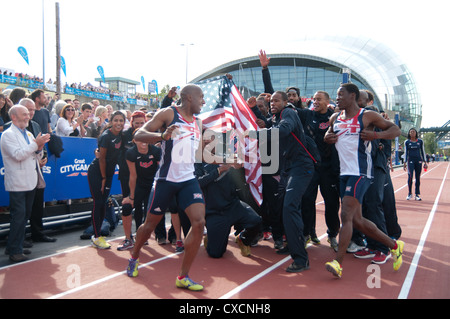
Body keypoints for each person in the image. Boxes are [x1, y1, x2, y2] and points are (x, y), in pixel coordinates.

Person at [127, 84, 206, 292]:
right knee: (149, 226)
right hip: (166, 180)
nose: (204, 101)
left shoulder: (198, 122)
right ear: (189, 98)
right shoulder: (168, 113)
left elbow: (203, 148)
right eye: (201, 97)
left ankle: (183, 276)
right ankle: (134, 256)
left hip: (188, 180)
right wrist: (161, 137)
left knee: (198, 222)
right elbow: (138, 134)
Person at [323, 83, 404, 278]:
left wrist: (376, 135)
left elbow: (395, 130)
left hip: (361, 172)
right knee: (357, 220)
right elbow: (328, 134)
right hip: (344, 173)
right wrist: (328, 137)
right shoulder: (335, 117)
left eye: (341, 95)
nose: (337, 98)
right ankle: (394, 245)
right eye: (336, 95)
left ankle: (338, 263)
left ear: (352, 96)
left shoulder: (366, 116)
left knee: (346, 215)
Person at [260, 91, 314, 272]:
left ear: (285, 102)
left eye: (277, 100)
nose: (272, 103)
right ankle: (293, 245)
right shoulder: (274, 117)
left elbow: (283, 129)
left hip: (301, 166)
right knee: (284, 207)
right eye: (271, 101)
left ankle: (301, 259)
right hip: (287, 169)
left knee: (290, 207)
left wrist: (258, 133)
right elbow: (266, 123)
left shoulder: (288, 112)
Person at [195, 133, 262, 258]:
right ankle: (211, 237)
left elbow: (241, 173)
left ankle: (243, 239)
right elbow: (197, 182)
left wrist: (239, 166)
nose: (210, 141)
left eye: (213, 137)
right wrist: (217, 171)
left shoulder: (228, 154)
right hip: (214, 211)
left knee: (256, 221)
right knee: (216, 254)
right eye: (206, 138)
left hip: (232, 205)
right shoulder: (198, 160)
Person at [0, 105, 50, 262]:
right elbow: (18, 155)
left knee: (24, 216)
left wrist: (39, 148)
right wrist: (36, 144)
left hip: (31, 180)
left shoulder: (28, 133)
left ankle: (14, 246)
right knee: (19, 216)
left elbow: (33, 153)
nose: (28, 116)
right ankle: (15, 251)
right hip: (18, 182)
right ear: (14, 117)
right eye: (24, 114)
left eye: (28, 114)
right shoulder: (8, 135)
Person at [298, 90, 340, 251]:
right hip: (310, 167)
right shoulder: (307, 115)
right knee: (307, 201)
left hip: (329, 168)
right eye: (314, 99)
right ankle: (306, 234)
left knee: (332, 203)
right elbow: (286, 105)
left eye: (319, 99)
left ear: (327, 101)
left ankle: (332, 234)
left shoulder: (335, 117)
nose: (315, 102)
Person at [87, 111, 126, 249]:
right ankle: (96, 237)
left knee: (103, 203)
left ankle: (98, 235)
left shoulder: (122, 136)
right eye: (116, 120)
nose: (119, 123)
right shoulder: (106, 136)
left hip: (108, 174)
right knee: (98, 203)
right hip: (97, 173)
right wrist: (104, 178)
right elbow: (102, 159)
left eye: (121, 120)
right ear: (111, 121)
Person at [118, 133, 161, 251]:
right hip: (139, 186)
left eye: (145, 138)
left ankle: (143, 236)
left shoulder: (156, 151)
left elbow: (161, 171)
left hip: (153, 185)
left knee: (151, 212)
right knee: (126, 207)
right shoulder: (131, 153)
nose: (143, 141)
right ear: (134, 141)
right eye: (140, 139)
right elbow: (133, 175)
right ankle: (128, 239)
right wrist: (131, 197)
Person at [403, 128, 427, 201]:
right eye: (411, 132)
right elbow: (406, 152)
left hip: (418, 160)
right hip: (410, 160)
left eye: (413, 132)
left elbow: (423, 151)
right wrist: (404, 162)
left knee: (418, 177)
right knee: (410, 176)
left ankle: (417, 194)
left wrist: (425, 161)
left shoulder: (420, 141)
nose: (412, 133)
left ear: (416, 133)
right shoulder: (407, 142)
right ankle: (410, 193)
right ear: (409, 134)